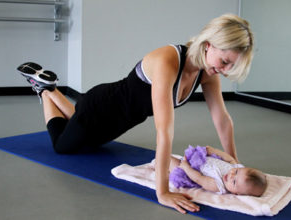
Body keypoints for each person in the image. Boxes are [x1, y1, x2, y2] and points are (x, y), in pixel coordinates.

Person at [17, 14, 254, 214]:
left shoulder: (208, 74)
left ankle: (51, 93)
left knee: (88, 139)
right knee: (62, 145)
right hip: (101, 107)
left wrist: (235, 165)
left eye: (230, 66)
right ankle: (47, 90)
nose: (224, 71)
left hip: (122, 121)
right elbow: (164, 131)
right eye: (224, 62)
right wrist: (162, 192)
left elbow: (222, 119)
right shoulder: (168, 60)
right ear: (208, 44)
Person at [169, 145, 267, 197]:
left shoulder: (218, 185)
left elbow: (199, 178)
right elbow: (230, 159)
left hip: (190, 172)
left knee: (169, 161)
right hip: (200, 159)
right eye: (236, 172)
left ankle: (164, 168)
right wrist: (214, 151)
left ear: (236, 193)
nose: (231, 175)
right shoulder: (236, 167)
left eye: (234, 182)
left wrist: (186, 167)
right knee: (165, 159)